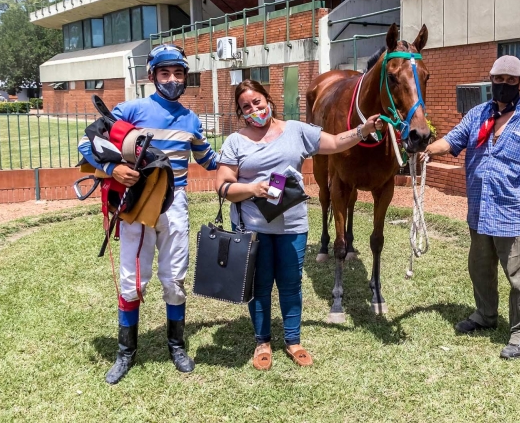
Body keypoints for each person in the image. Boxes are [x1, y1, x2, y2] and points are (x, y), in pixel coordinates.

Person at [216, 80, 383, 371]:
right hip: (253, 228)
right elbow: (222, 186)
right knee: (260, 285)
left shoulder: (295, 130)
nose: (254, 109)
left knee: (291, 286)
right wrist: (254, 189)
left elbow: (335, 142)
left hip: (292, 226)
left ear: (268, 100)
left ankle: (293, 341)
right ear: (241, 113)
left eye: (257, 102)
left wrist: (363, 130)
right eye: (246, 107)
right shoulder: (235, 142)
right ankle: (263, 342)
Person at [78, 44, 218, 384]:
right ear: (152, 76)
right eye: (165, 73)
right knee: (132, 280)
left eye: (178, 73)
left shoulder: (191, 119)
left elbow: (211, 160)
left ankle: (176, 345)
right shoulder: (130, 109)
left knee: (174, 278)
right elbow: (87, 145)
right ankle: (126, 353)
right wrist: (112, 169)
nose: (172, 79)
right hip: (137, 203)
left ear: (186, 77)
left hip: (176, 204)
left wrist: (256, 155)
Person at [421, 55, 520, 360]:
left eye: (510, 81)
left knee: (518, 277)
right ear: (491, 80)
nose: (504, 85)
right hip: (480, 211)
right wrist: (428, 150)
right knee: (480, 269)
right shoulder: (478, 114)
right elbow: (453, 140)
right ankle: (485, 316)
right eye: (499, 80)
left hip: (513, 212)